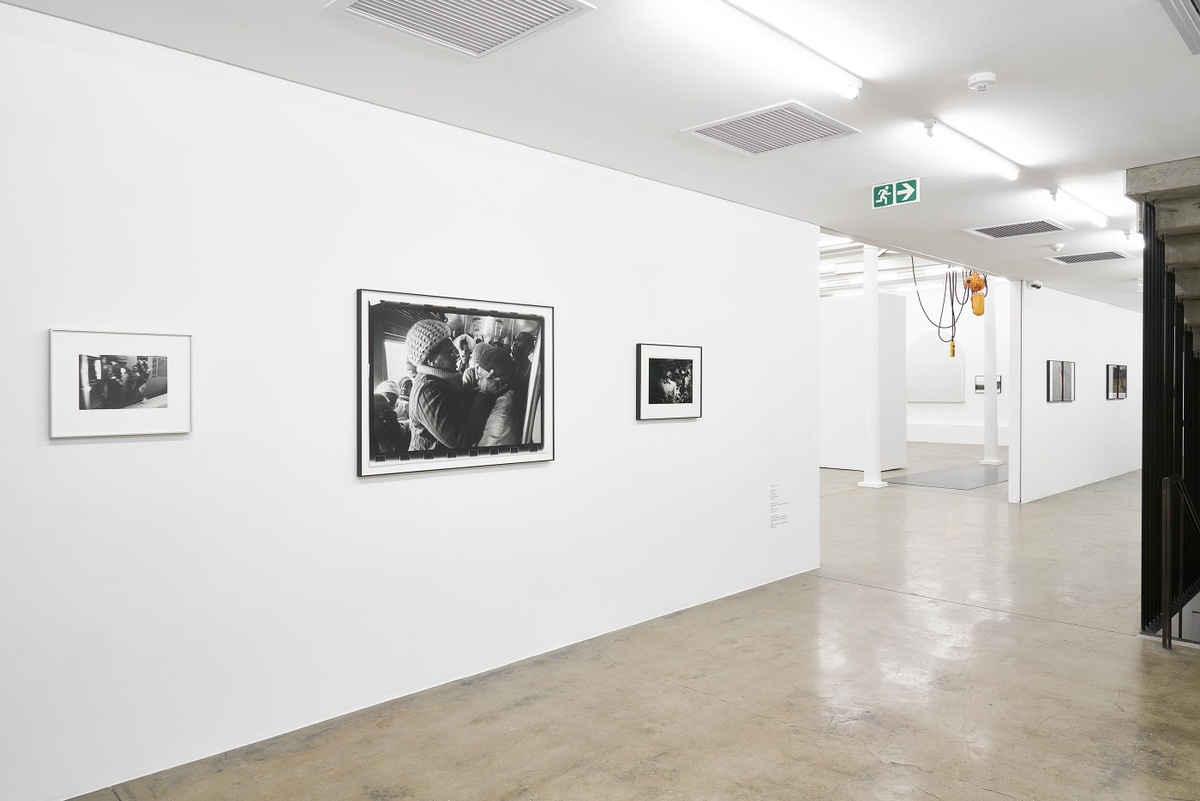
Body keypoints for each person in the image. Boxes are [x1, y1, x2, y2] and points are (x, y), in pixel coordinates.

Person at [406, 319, 508, 451]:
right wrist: (484, 393)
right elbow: (463, 439)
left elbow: (457, 399)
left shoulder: (440, 381)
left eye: (455, 350)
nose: (457, 356)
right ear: (431, 361)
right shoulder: (428, 390)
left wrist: (484, 386)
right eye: (450, 352)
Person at [469, 347, 520, 447]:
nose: (478, 383)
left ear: (500, 381)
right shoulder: (499, 397)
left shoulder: (500, 425)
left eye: (480, 378)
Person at [371, 380, 410, 455]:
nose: (389, 401)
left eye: (393, 399)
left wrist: (396, 425)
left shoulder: (402, 407)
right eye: (387, 397)